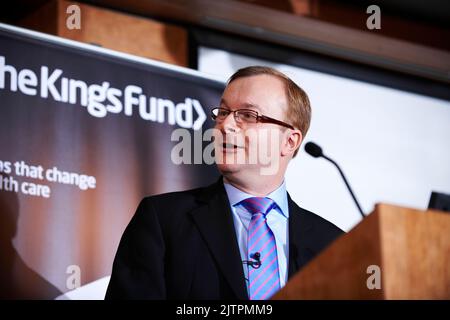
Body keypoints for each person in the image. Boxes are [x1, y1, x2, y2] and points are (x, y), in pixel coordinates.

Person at [105, 66, 343, 300]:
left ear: (289, 142)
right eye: (222, 112)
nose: (225, 125)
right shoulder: (163, 220)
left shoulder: (332, 245)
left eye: (248, 115)